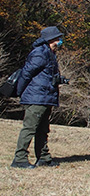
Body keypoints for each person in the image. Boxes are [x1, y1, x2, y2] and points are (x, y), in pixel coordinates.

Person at [11, 26, 66, 169]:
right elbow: (26, 73)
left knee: (42, 129)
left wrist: (59, 79)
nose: (59, 42)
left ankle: (43, 158)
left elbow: (46, 75)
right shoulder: (40, 53)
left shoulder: (49, 53)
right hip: (36, 97)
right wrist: (20, 92)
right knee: (29, 128)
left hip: (45, 96)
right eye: (57, 39)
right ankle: (20, 159)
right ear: (50, 40)